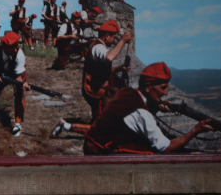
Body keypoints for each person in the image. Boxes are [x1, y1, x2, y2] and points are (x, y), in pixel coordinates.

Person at [78, 62, 213, 155]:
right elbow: (166, 148)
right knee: (153, 151)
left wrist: (156, 107)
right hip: (100, 152)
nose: (166, 93)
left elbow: (130, 116)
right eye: (162, 88)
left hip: (92, 143)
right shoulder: (141, 113)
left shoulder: (126, 91)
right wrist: (195, 130)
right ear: (148, 87)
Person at [80, 20, 132, 122]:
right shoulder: (98, 47)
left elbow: (103, 70)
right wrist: (123, 40)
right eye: (114, 37)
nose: (114, 40)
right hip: (96, 90)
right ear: (107, 36)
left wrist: (120, 68)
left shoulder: (99, 46)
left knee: (102, 120)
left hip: (97, 87)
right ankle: (68, 127)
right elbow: (109, 57)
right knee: (99, 124)